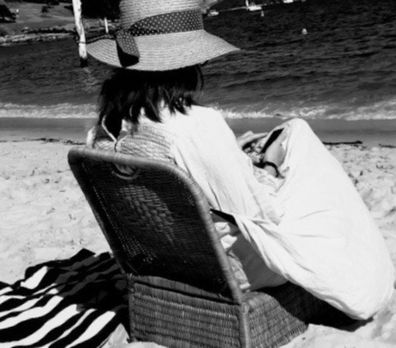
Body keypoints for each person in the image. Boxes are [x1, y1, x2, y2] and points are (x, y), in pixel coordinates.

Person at [86, 0, 394, 320]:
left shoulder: (104, 130)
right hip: (237, 269)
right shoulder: (195, 126)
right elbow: (261, 214)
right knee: (302, 147)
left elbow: (175, 186)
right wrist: (268, 167)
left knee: (294, 131)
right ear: (188, 60)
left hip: (166, 260)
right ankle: (369, 270)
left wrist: (233, 154)